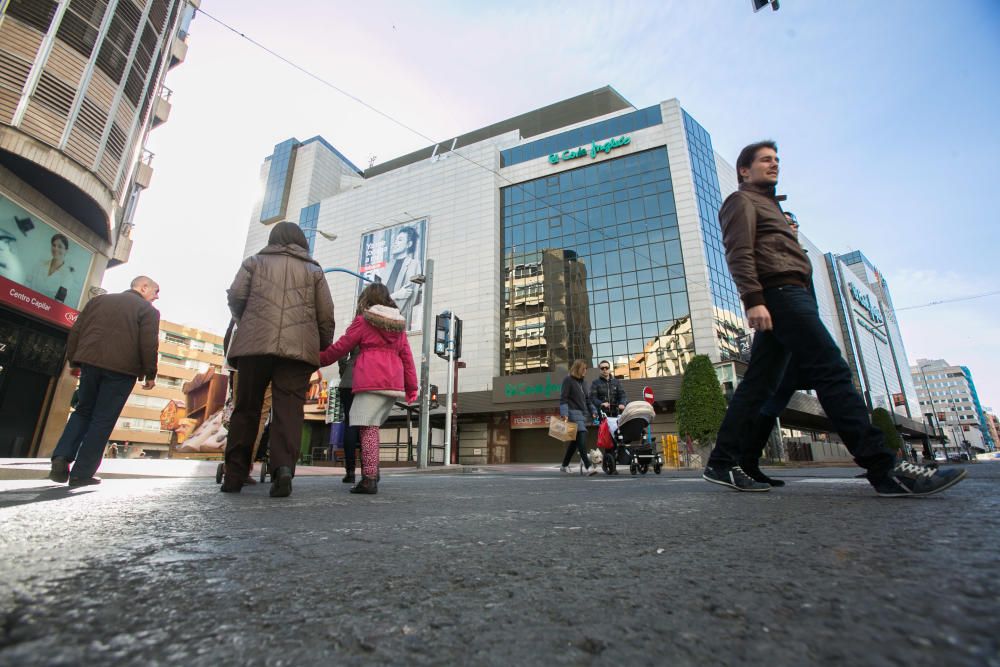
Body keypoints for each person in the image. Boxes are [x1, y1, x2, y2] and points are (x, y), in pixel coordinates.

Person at [702, 140, 966, 497]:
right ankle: (885, 467)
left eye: (777, 159)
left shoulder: (770, 207)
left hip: (789, 295)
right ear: (744, 170)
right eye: (766, 160)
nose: (774, 164)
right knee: (832, 373)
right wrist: (754, 299)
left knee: (758, 387)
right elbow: (739, 251)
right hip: (780, 295)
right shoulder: (741, 201)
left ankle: (723, 461)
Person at [224, 221, 335, 497]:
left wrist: (245, 321)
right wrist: (320, 344)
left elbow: (236, 296)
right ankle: (283, 470)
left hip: (254, 346)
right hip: (297, 351)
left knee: (246, 408)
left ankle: (234, 474)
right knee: (289, 410)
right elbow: (326, 314)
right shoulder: (314, 270)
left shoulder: (254, 262)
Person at [48, 276, 160, 486]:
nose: (156, 297)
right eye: (155, 292)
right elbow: (148, 344)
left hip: (90, 362)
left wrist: (74, 360)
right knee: (103, 419)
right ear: (143, 287)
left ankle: (61, 457)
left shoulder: (99, 301)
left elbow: (77, 330)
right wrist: (150, 373)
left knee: (83, 410)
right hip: (121, 370)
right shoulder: (148, 311)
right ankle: (82, 473)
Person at [319, 283, 418, 495]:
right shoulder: (398, 325)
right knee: (370, 426)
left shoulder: (364, 321)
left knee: (366, 426)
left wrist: (319, 359)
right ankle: (372, 472)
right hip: (392, 382)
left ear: (368, 299)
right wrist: (412, 388)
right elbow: (407, 358)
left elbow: (342, 347)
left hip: (371, 379)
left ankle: (369, 478)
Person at [740, 211, 805, 488]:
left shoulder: (798, 253)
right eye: (786, 223)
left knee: (770, 400)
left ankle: (742, 460)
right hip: (779, 328)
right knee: (766, 399)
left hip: (798, 331)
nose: (791, 227)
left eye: (794, 224)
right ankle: (740, 460)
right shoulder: (770, 248)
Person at [559, 359, 599, 476]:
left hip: (582, 415)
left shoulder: (584, 383)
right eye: (584, 368)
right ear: (578, 369)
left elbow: (588, 400)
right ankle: (588, 466)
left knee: (575, 443)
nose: (586, 371)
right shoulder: (568, 380)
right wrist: (564, 413)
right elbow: (563, 398)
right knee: (581, 436)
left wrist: (594, 411)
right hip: (572, 413)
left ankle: (564, 465)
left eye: (586, 368)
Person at [380, 226, 420, 329]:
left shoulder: (413, 264)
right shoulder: (387, 266)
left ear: (409, 244)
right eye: (396, 239)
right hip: (381, 320)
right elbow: (378, 299)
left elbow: (410, 296)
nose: (395, 243)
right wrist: (396, 295)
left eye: (400, 240)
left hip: (398, 322)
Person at [336, 347, 362, 484]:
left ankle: (350, 472)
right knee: (367, 424)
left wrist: (345, 369)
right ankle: (369, 472)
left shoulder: (356, 328)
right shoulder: (381, 329)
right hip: (370, 380)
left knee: (350, 423)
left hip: (349, 380)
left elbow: (342, 352)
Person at [27, 233, 77, 302]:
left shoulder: (68, 277)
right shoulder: (40, 264)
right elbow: (27, 283)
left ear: (66, 251)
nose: (55, 249)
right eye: (54, 245)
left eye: (60, 246)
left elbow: (59, 302)